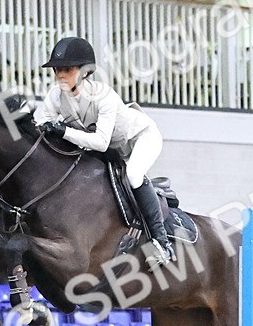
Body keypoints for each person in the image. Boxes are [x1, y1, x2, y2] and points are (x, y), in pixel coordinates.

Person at [32, 36, 174, 267]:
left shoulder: (104, 96)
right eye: (57, 70)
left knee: (134, 175)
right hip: (110, 150)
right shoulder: (55, 96)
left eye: (67, 69)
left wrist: (63, 131)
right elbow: (40, 125)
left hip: (140, 138)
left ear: (85, 71)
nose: (60, 76)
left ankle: (161, 241)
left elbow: (99, 141)